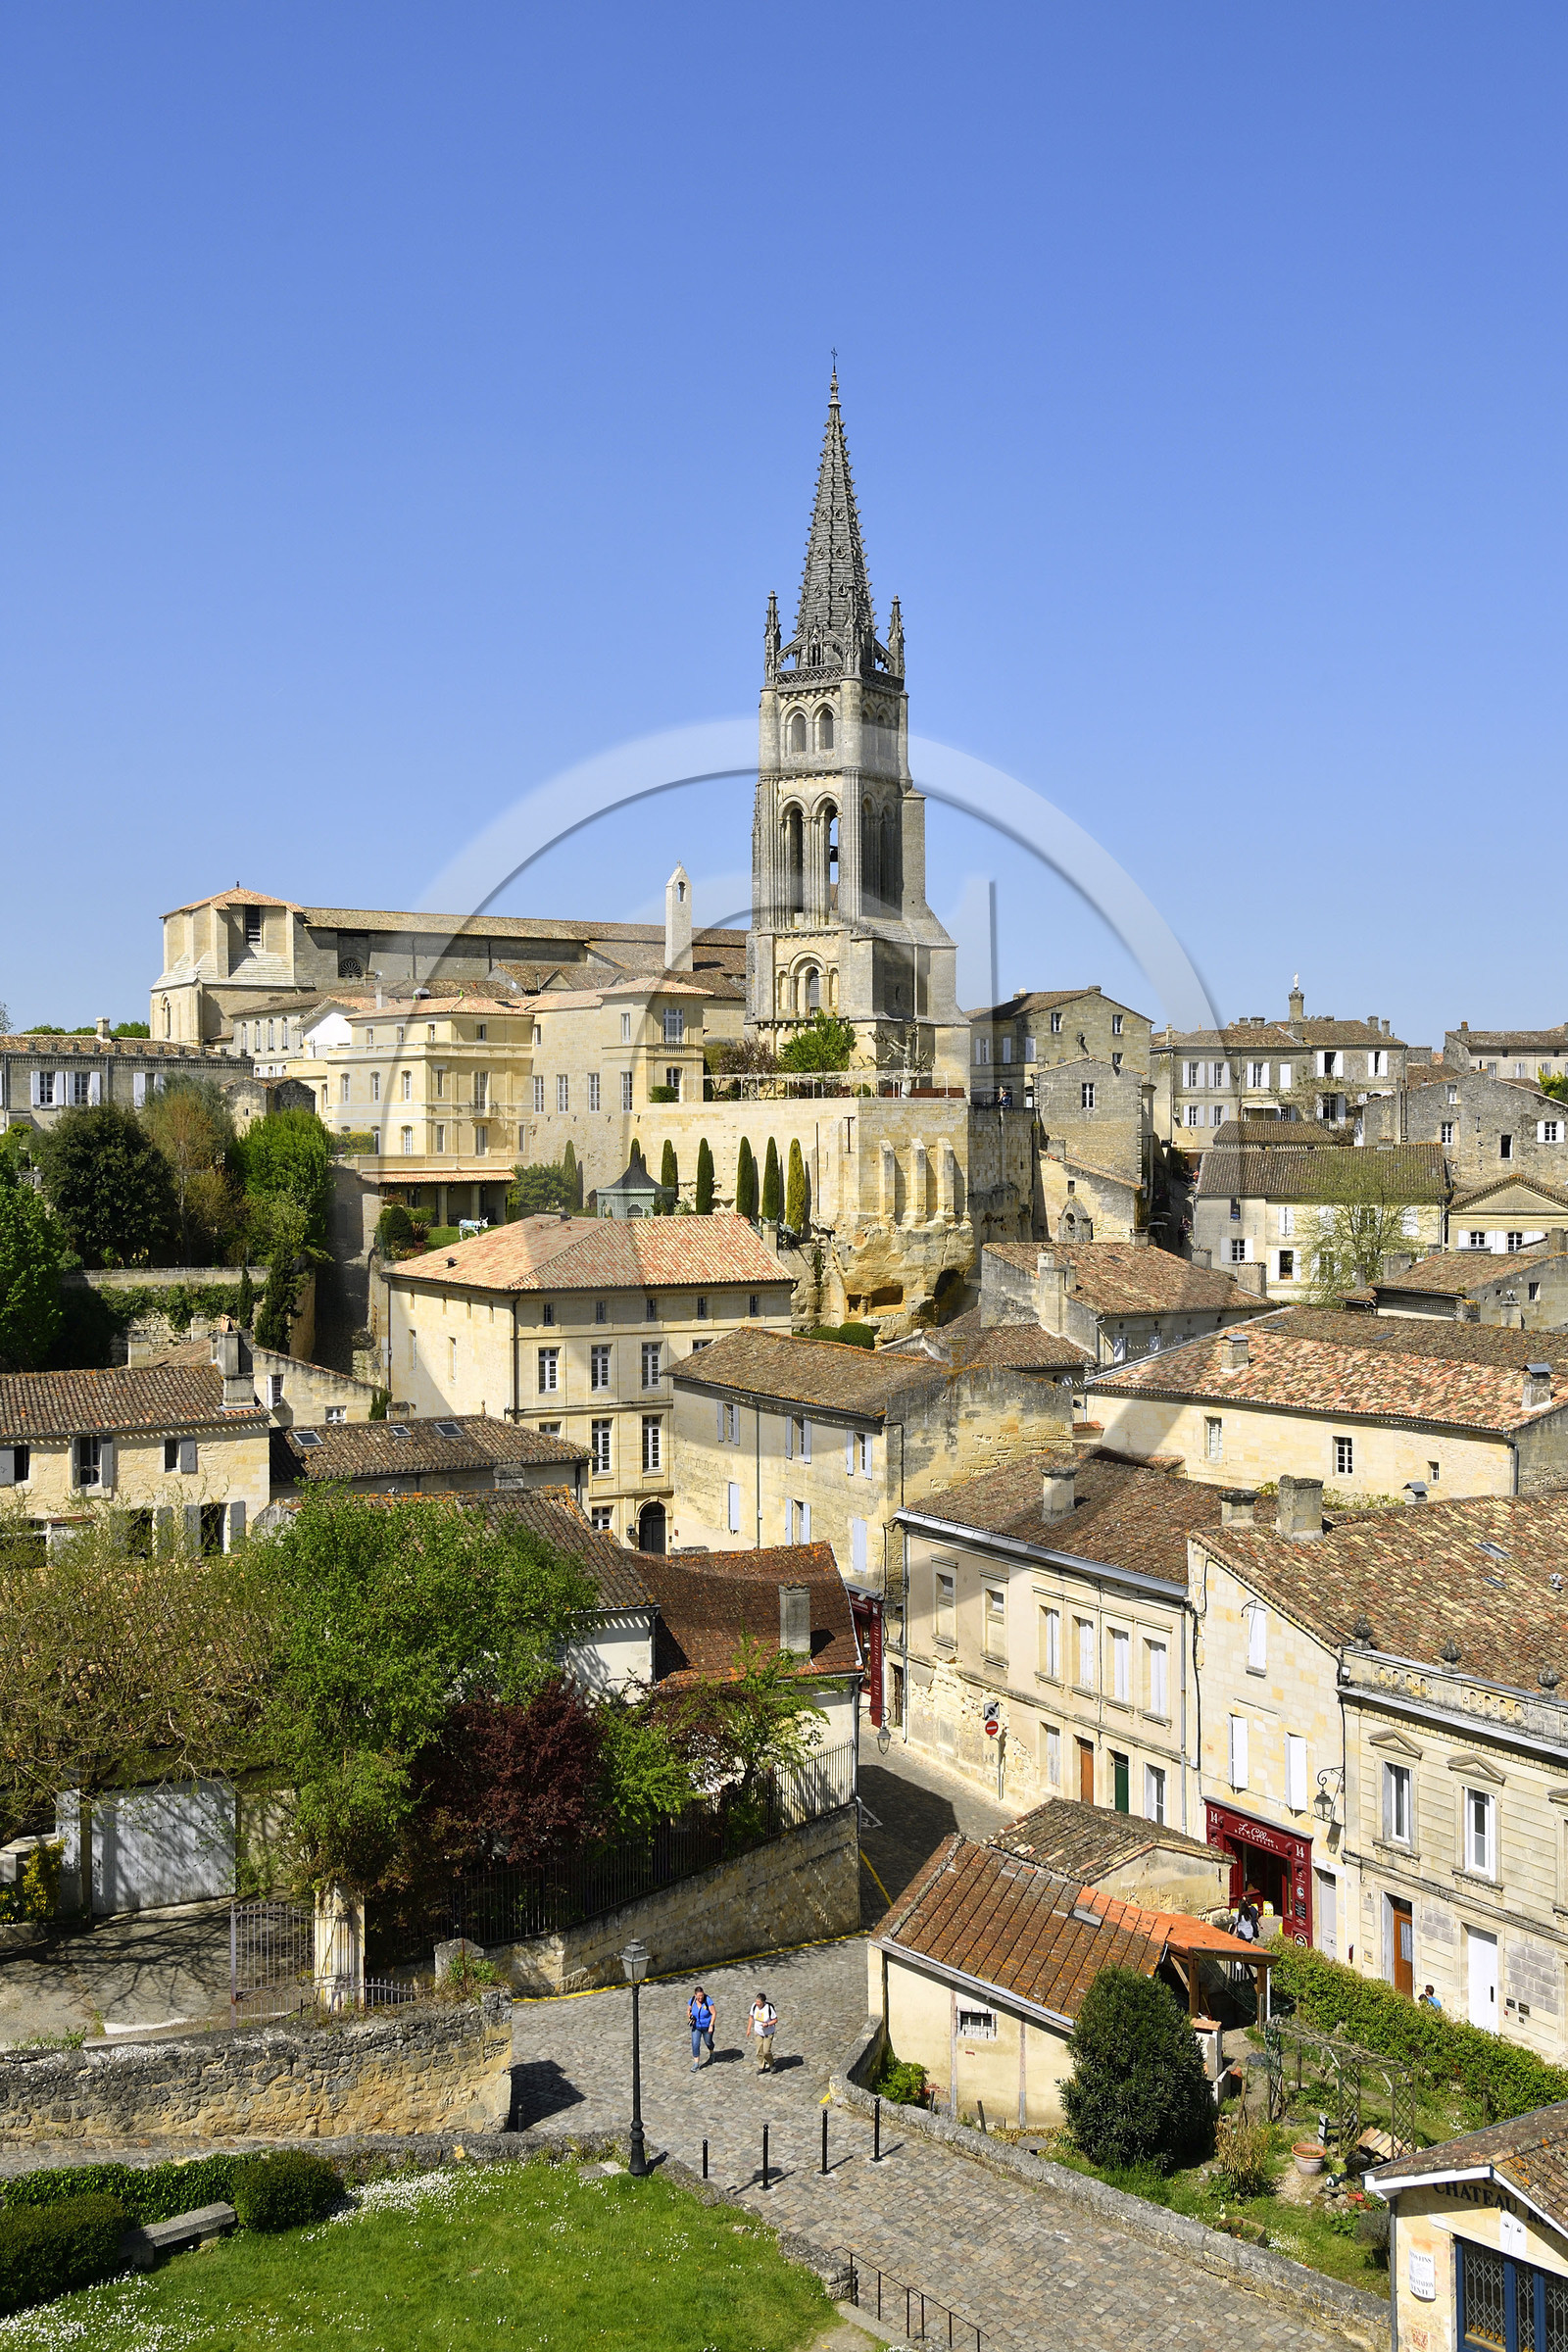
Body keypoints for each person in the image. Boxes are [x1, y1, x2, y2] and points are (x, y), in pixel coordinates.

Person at [747, 1988, 778, 2073]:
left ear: (763, 2002)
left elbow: (775, 2020)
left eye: (759, 2003)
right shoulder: (754, 2006)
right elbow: (751, 2017)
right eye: (756, 2002)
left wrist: (767, 2024)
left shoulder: (769, 2008)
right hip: (758, 2032)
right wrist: (748, 2029)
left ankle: (772, 2064)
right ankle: (761, 2066)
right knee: (759, 2051)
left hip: (768, 2032)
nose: (757, 2004)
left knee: (766, 2051)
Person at [688, 1984, 715, 2069]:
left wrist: (711, 2025)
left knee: (708, 2042)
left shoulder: (708, 2001)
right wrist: (690, 2017)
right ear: (695, 1995)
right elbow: (688, 2010)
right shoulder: (692, 2001)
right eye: (699, 1996)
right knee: (695, 2043)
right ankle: (696, 2063)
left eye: (702, 1996)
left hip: (707, 2026)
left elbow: (714, 2013)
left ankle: (712, 2052)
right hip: (696, 2027)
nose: (700, 1998)